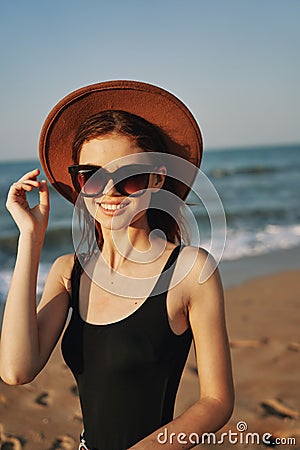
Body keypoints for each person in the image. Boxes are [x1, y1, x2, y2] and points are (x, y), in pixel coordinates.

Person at [0, 81, 234, 450]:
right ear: (79, 184)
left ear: (156, 177)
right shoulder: (68, 272)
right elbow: (17, 370)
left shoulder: (189, 271)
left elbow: (216, 402)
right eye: (91, 175)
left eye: (130, 176)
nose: (108, 191)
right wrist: (30, 237)